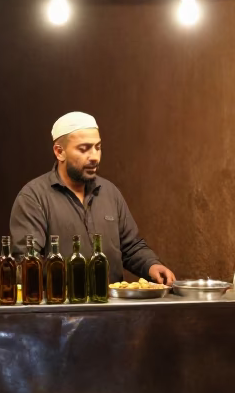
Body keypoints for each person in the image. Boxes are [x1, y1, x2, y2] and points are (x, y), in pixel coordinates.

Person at [9, 111, 176, 286]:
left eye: (98, 147)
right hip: (61, 310)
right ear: (59, 152)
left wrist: (152, 265)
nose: (95, 157)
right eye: (84, 149)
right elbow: (27, 262)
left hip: (112, 308)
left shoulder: (110, 192)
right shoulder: (33, 197)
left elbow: (131, 247)